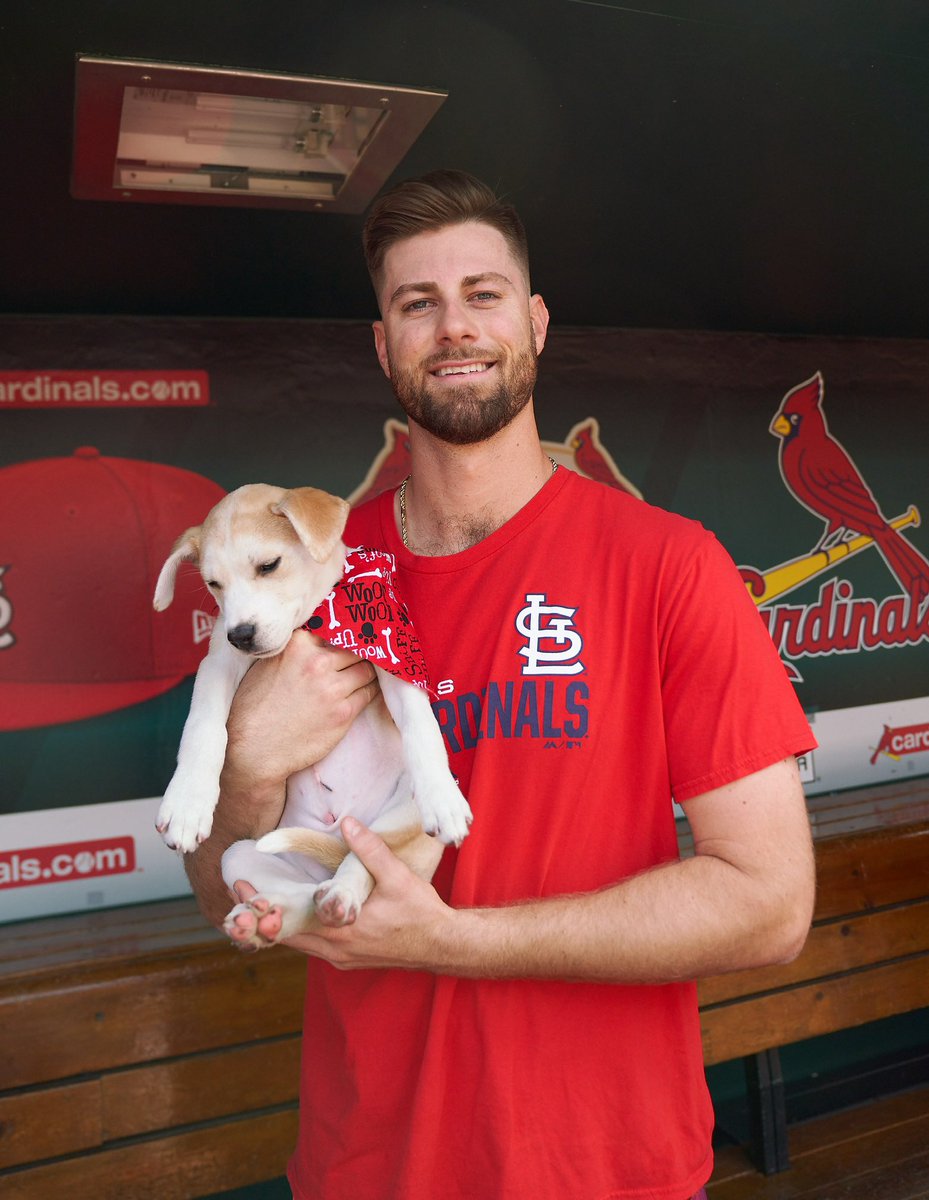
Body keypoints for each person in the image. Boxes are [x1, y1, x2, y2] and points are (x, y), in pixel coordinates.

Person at [187, 169, 816, 1200]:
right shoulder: (301, 577)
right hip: (368, 1169)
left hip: (608, 1168)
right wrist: (249, 761)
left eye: (481, 295)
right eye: (415, 303)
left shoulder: (666, 563)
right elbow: (220, 892)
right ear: (381, 342)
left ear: (532, 323)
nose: (453, 327)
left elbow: (769, 904)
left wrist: (455, 945)